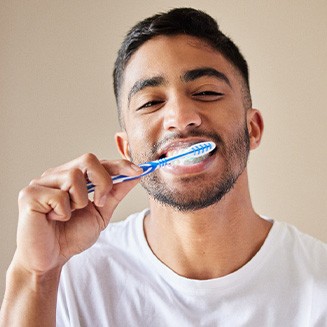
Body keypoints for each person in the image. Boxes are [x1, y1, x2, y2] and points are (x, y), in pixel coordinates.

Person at [1, 7, 326, 326]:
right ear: (127, 149)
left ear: (252, 128)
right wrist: (36, 275)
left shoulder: (319, 286)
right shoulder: (70, 279)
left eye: (207, 92)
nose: (180, 117)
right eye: (151, 102)